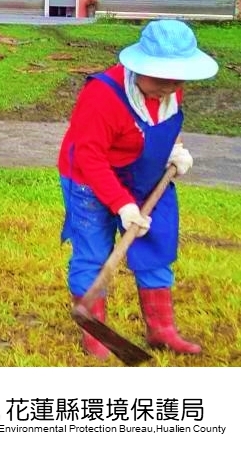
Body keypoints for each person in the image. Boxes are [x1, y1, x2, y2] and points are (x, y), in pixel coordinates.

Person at [58, 19, 213, 359]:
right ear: (140, 66)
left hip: (145, 177)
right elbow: (89, 157)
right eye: (161, 78)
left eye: (177, 80)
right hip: (89, 177)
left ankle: (161, 330)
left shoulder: (169, 90)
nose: (169, 88)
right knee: (94, 251)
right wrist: (122, 205)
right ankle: (94, 330)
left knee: (156, 245)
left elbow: (162, 125)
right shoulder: (102, 95)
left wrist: (174, 151)